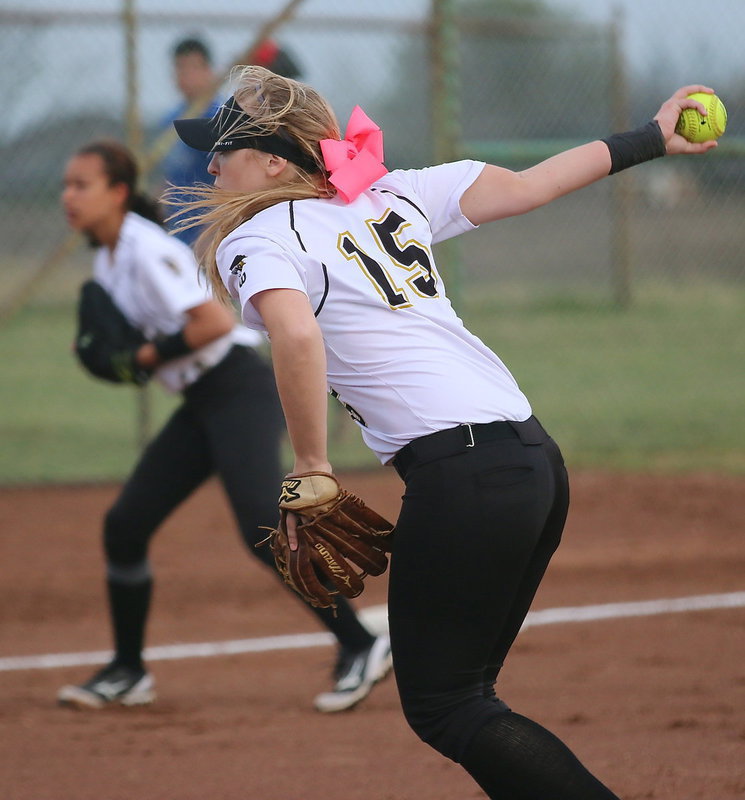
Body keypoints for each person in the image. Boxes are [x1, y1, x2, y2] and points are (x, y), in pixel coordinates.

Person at [171, 67, 717, 798]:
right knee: (468, 693)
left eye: (224, 148)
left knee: (447, 706)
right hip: (530, 461)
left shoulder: (262, 233)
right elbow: (534, 185)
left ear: (274, 162)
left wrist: (311, 463)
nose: (210, 165)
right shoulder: (395, 194)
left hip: (463, 477)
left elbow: (296, 339)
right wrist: (652, 136)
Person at [56, 139, 392, 714]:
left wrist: (138, 360)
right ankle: (129, 670)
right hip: (206, 398)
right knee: (126, 524)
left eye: (81, 184)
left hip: (236, 386)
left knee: (262, 527)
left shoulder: (141, 249)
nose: (69, 196)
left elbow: (212, 322)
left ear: (116, 193)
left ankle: (362, 644)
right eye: (66, 185)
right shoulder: (109, 256)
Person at [158, 36, 301, 245]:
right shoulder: (170, 120)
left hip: (211, 228)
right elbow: (170, 175)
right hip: (176, 229)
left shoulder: (226, 117)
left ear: (209, 71)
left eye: (193, 68)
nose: (185, 76)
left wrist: (217, 228)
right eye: (180, 68)